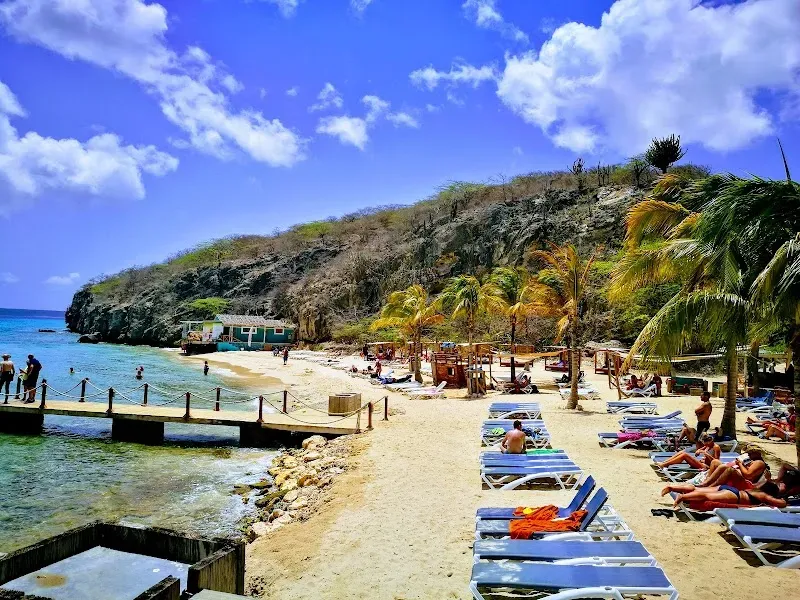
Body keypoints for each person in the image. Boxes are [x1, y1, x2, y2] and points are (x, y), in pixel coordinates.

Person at [662, 481, 786, 508]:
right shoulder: (764, 496)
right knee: (706, 496)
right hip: (735, 496)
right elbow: (781, 504)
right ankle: (683, 497)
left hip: (729, 489)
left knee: (698, 489)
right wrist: (783, 498)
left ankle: (673, 487)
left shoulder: (756, 490)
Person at [701, 447, 768, 489]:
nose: (748, 454)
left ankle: (710, 486)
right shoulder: (751, 461)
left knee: (725, 467)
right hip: (738, 474)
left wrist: (739, 464)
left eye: (750, 453)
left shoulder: (759, 462)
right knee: (715, 462)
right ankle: (706, 481)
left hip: (744, 482)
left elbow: (748, 475)